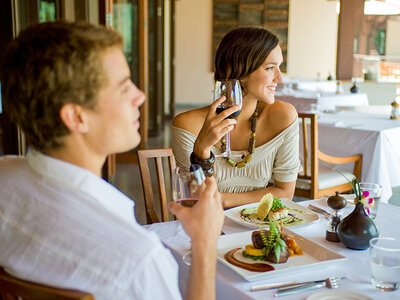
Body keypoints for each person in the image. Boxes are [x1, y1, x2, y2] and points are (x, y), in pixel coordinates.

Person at [0, 21, 224, 300]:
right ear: (76, 117)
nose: (140, 96)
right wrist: (204, 242)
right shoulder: (136, 260)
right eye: (122, 87)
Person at [172, 26, 302, 209]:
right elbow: (193, 200)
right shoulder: (188, 125)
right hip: (207, 228)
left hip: (260, 229)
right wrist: (201, 150)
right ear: (240, 71)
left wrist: (222, 200)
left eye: (279, 67)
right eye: (270, 68)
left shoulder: (284, 117)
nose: (280, 78)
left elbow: (285, 193)